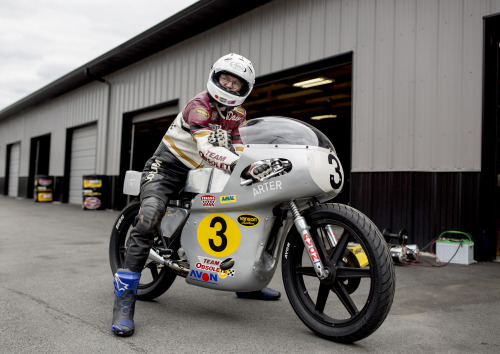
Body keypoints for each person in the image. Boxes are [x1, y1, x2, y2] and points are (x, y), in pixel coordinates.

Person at [112, 53, 281, 337]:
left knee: (240, 212)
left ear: (244, 89)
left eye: (235, 83)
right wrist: (238, 165)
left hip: (205, 172)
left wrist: (251, 164)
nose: (228, 86)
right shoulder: (199, 106)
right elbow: (206, 148)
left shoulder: (238, 113)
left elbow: (237, 145)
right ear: (215, 77)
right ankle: (124, 303)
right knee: (149, 216)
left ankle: (244, 283)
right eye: (224, 79)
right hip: (166, 169)